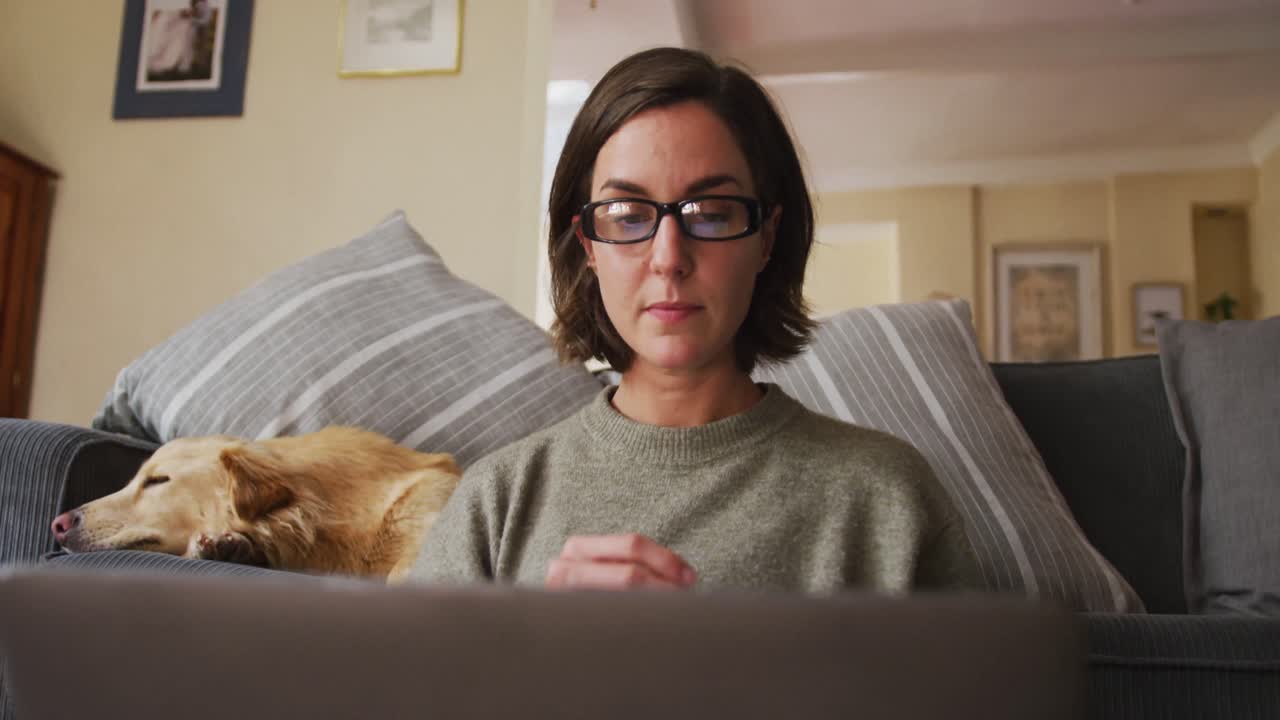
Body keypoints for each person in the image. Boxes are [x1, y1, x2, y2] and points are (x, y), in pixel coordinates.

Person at [410, 47, 979, 593]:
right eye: (627, 215)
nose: (669, 258)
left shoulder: (886, 495)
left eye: (710, 214)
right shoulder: (497, 500)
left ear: (766, 239)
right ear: (588, 245)